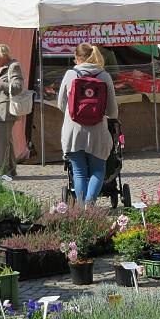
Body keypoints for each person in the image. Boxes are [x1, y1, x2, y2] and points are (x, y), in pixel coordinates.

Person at [57, 43, 118, 204]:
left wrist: (72, 114)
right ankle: (90, 205)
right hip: (97, 130)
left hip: (73, 130)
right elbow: (112, 110)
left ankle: (83, 208)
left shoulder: (70, 74)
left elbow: (60, 104)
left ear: (77, 58)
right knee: (98, 170)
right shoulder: (104, 76)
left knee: (78, 172)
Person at [0, 44, 24, 179]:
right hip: (0, 111)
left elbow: (18, 87)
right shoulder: (2, 68)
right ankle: (11, 170)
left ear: (4, 54)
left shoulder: (13, 66)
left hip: (6, 111)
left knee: (1, 142)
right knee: (7, 141)